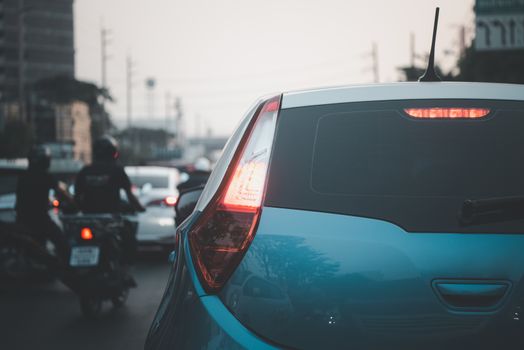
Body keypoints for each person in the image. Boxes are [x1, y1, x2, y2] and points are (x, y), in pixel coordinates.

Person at [74, 136, 145, 263]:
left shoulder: (85, 171)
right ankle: (125, 269)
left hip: (88, 218)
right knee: (129, 240)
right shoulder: (117, 170)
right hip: (110, 219)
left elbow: (76, 198)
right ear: (113, 153)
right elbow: (129, 195)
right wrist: (140, 208)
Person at [15, 145, 73, 260]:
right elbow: (61, 193)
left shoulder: (23, 177)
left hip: (22, 218)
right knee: (63, 245)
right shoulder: (45, 176)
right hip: (40, 219)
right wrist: (74, 203)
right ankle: (66, 269)